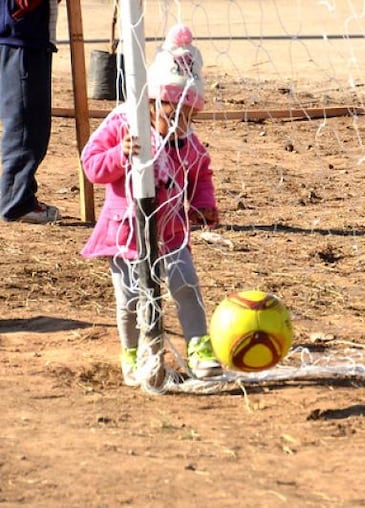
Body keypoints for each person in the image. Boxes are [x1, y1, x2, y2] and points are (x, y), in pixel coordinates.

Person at [80, 24, 221, 386]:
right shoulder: (124, 124)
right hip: (126, 235)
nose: (178, 124)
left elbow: (201, 173)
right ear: (154, 102)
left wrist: (203, 205)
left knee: (187, 287)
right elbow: (91, 164)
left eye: (187, 117)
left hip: (172, 233)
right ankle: (133, 353)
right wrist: (119, 154)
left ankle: (199, 349)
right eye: (171, 114)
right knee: (130, 301)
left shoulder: (189, 143)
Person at [0, 0, 61, 223]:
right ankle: (17, 202)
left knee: (27, 123)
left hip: (23, 35)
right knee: (26, 125)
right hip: (21, 37)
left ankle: (20, 195)